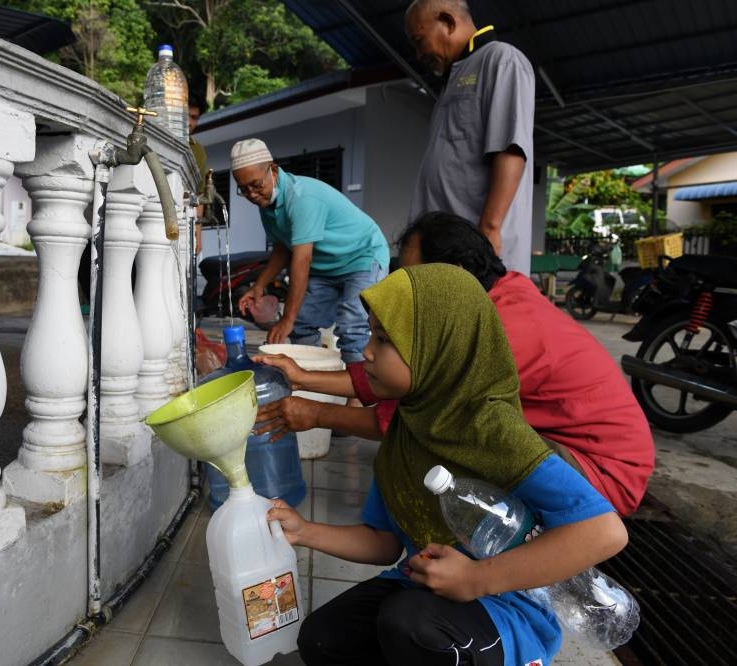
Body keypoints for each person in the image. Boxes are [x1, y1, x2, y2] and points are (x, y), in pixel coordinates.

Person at [268, 263, 628, 665]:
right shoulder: (409, 424)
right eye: (372, 334)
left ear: (438, 348)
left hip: (507, 607)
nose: (367, 351)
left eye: (384, 339)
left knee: (411, 626)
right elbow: (384, 541)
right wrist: (305, 532)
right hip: (426, 589)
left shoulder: (493, 432)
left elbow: (603, 532)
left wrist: (477, 578)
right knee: (324, 638)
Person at [257, 211, 654, 516]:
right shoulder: (494, 297)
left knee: (439, 437)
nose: (408, 292)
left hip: (599, 475)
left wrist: (315, 414)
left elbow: (415, 419)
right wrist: (304, 377)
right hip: (576, 452)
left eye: (418, 278)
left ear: (456, 276)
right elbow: (393, 374)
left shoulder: (499, 328)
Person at [230, 138, 389, 361]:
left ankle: (358, 393)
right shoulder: (267, 205)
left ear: (273, 170)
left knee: (352, 326)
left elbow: (301, 261)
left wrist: (287, 317)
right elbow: (282, 249)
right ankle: (315, 382)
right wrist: (259, 286)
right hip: (327, 268)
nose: (252, 195)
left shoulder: (302, 197)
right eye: (244, 190)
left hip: (362, 257)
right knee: (303, 324)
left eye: (256, 185)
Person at [406, 0, 535, 275]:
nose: (418, 54)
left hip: (476, 254)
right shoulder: (452, 79)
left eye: (419, 41)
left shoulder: (500, 59)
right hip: (444, 250)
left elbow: (510, 149)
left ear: (448, 22)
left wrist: (488, 233)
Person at [189, 100, 208, 255]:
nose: (189, 122)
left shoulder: (198, 150)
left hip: (184, 222)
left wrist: (198, 235)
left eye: (194, 117)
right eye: (185, 116)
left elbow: (199, 196)